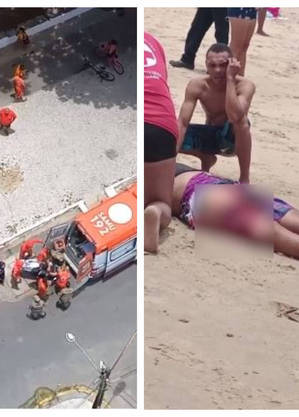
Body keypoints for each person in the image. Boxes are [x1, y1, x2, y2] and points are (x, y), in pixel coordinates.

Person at [173, 163, 299, 259]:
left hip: (197, 195)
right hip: (217, 183)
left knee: (280, 236)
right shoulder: (165, 162)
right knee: (288, 218)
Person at [177, 43, 255, 184]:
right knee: (169, 132)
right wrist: (171, 158)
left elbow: (235, 116)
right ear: (206, 65)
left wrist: (230, 79)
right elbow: (182, 122)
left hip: (231, 140)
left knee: (243, 123)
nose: (218, 70)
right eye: (212, 66)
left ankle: (244, 177)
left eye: (223, 65)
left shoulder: (245, 85)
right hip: (210, 137)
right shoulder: (197, 85)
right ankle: (206, 157)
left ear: (232, 64)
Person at [144, 32, 178, 253]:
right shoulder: (152, 41)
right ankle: (156, 212)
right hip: (161, 122)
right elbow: (163, 82)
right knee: (160, 200)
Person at [227, 8, 257, 76]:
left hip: (252, 10)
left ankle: (240, 77)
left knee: (244, 46)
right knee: (236, 47)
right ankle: (227, 78)